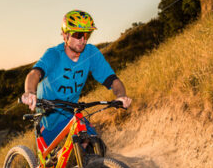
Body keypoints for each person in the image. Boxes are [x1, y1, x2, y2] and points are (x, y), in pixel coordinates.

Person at [21, 10, 131, 147]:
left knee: (96, 146)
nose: (83, 40)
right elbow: (35, 74)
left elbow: (112, 80)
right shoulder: (54, 54)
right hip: (48, 118)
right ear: (65, 35)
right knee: (49, 166)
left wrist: (121, 96)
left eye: (87, 35)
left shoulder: (91, 53)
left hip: (70, 113)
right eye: (78, 34)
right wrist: (30, 92)